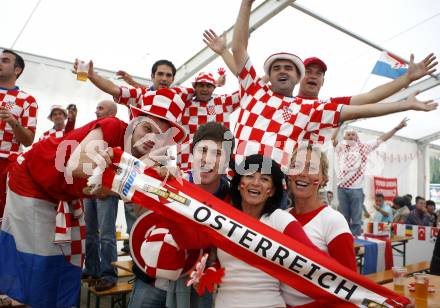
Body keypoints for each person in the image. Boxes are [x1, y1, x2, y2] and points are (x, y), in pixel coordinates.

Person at [0, 89, 186, 307]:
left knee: (67, 259)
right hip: (32, 179)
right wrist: (133, 179)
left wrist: (159, 185)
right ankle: (19, 299)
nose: (152, 139)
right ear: (135, 122)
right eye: (148, 129)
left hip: (64, 193)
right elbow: (76, 167)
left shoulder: (148, 159)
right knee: (36, 258)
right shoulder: (113, 126)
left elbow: (118, 197)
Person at [231, 0, 437, 173]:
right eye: (308, 71)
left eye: (318, 73)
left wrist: (406, 82)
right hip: (246, 176)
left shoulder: (321, 108)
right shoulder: (257, 91)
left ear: (321, 80)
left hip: (294, 179)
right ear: (299, 78)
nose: (313, 76)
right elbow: (239, 50)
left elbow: (368, 100)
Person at [128, 122, 234, 308]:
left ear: (226, 161)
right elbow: (138, 213)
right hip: (151, 282)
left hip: (197, 285)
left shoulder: (231, 198)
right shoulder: (172, 179)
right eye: (202, 150)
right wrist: (156, 182)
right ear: (193, 153)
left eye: (217, 153)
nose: (207, 159)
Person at [215, 154, 319, 308]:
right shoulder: (222, 217)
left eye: (264, 179)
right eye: (250, 176)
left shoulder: (280, 219)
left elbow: (315, 259)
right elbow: (190, 242)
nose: (256, 183)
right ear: (239, 184)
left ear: (272, 191)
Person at [282, 144, 357, 307]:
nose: (302, 173)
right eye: (296, 166)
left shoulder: (333, 220)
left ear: (323, 179)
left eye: (312, 168)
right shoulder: (282, 217)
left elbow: (349, 286)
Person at [332, 119, 408, 235]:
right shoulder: (341, 148)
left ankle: (355, 242)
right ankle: (345, 238)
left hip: (356, 189)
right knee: (344, 218)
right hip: (341, 188)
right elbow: (333, 139)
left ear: (357, 137)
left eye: (353, 134)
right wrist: (338, 125)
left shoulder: (364, 147)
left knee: (356, 220)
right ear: (345, 138)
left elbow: (381, 139)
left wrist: (396, 128)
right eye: (348, 134)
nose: (351, 136)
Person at [81, 100, 120, 291]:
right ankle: (92, 269)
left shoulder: (118, 132)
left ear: (111, 113)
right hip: (90, 190)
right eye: (96, 108)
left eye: (100, 109)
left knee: (106, 235)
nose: (96, 111)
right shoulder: (94, 131)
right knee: (89, 233)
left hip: (106, 191)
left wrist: (107, 187)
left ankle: (108, 274)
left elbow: (119, 163)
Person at [0, 49, 38, 223]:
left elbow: (28, 140)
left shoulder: (27, 100)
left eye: (5, 60)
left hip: (6, 164)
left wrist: (14, 122)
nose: (0, 62)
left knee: (3, 218)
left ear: (17, 70)